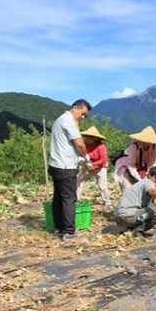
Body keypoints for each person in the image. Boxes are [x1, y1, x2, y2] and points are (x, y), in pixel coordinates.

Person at [48, 99, 93, 240]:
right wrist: (86, 156)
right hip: (66, 166)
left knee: (58, 197)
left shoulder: (60, 119)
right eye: (82, 113)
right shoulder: (69, 121)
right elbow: (79, 143)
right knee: (69, 198)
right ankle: (69, 231)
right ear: (75, 108)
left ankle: (59, 227)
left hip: (55, 164)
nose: (83, 117)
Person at [113, 166, 156, 237]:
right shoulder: (147, 182)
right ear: (150, 175)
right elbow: (152, 192)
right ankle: (138, 230)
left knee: (152, 212)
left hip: (119, 218)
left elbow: (153, 208)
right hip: (129, 216)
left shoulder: (139, 186)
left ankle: (131, 228)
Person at [113, 126, 156, 191]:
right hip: (125, 169)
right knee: (128, 190)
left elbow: (152, 163)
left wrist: (149, 175)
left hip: (139, 169)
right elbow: (130, 165)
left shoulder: (153, 147)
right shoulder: (134, 147)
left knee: (140, 191)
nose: (148, 142)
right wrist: (140, 179)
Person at [76, 126, 112, 207]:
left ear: (95, 138)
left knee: (102, 186)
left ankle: (107, 201)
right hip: (88, 166)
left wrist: (94, 165)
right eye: (87, 137)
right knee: (78, 180)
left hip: (101, 168)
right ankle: (76, 198)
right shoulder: (85, 144)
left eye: (91, 137)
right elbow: (83, 154)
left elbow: (103, 159)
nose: (88, 139)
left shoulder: (101, 146)